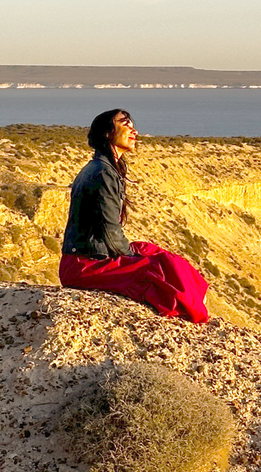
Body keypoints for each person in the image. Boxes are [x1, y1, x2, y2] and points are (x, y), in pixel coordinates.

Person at [60, 109, 209, 323]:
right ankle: (192, 310)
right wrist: (131, 256)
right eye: (126, 125)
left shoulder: (103, 167)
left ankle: (192, 302)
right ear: (107, 133)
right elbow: (110, 230)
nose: (134, 131)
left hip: (87, 256)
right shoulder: (103, 173)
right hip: (86, 265)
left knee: (154, 252)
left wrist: (132, 253)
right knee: (163, 267)